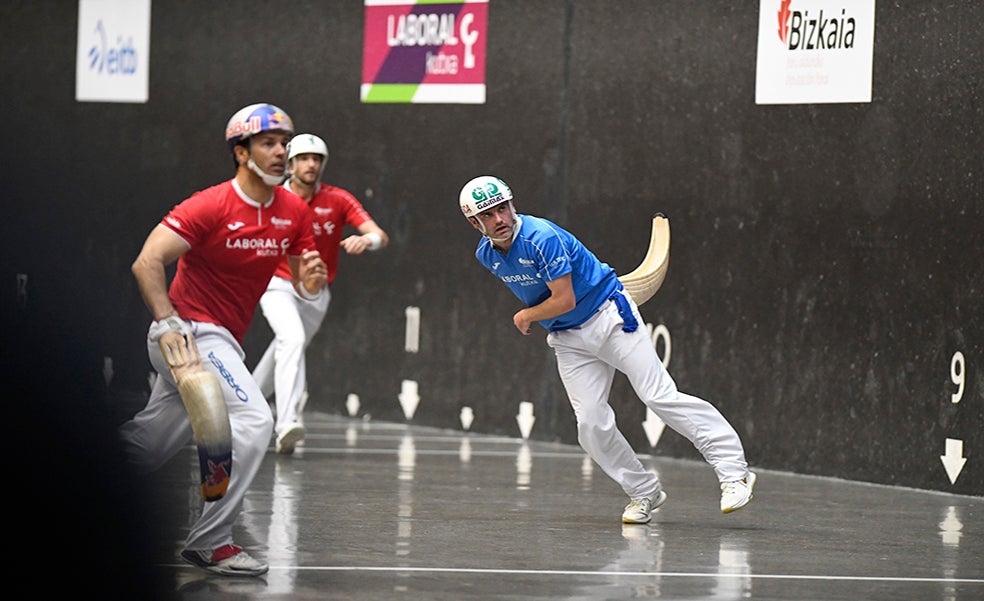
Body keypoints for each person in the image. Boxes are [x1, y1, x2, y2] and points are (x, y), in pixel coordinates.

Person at [458, 175, 756, 524]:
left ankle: (734, 472)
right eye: (489, 215)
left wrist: (527, 315)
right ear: (474, 222)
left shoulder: (541, 238)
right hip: (569, 338)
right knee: (590, 424)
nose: (501, 219)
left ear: (512, 204)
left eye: (503, 208)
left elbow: (564, 299)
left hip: (610, 317)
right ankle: (644, 491)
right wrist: (539, 315)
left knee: (658, 395)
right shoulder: (486, 255)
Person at [120, 103, 328, 576]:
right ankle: (210, 542)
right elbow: (147, 262)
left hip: (222, 341)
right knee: (255, 420)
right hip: (188, 332)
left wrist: (311, 282)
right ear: (241, 152)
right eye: (269, 144)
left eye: (285, 143)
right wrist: (168, 321)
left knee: (150, 443)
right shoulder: (210, 205)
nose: (282, 152)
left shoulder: (293, 211)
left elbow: (302, 282)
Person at [252, 132, 389, 454]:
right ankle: (287, 423)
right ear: (290, 164)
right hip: (278, 284)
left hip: (317, 292)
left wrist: (365, 241)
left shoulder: (337, 199)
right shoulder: (272, 198)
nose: (311, 164)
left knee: (286, 350)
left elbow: (379, 235)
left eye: (316, 159)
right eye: (304, 159)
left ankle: (244, 406)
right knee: (293, 341)